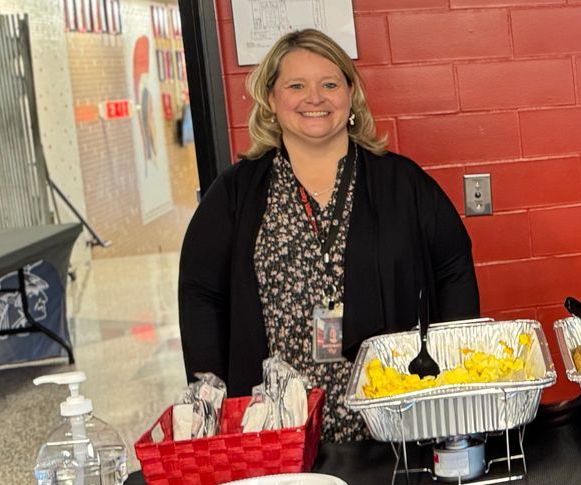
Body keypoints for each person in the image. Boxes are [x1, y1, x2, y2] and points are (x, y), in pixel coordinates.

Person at [178, 28, 478, 440]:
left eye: (330, 84)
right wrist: (214, 402)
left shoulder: (402, 183)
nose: (314, 98)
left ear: (351, 94)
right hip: (279, 432)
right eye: (296, 86)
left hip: (395, 424)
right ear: (271, 99)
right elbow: (200, 292)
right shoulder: (235, 194)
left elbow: (453, 266)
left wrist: (451, 365)